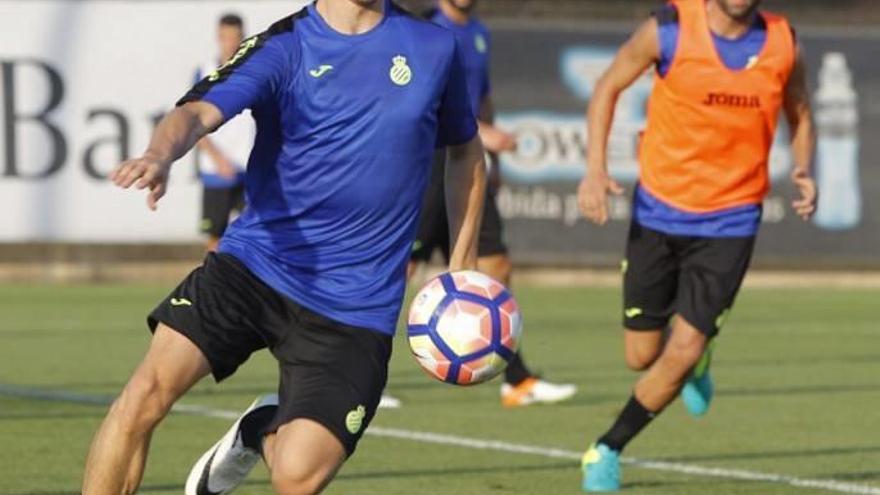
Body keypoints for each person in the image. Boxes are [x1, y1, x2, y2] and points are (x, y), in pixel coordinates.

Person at [81, 1, 487, 494]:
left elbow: (465, 150)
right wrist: (159, 154)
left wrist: (462, 267)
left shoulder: (435, 47)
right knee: (142, 399)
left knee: (297, 479)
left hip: (355, 305)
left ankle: (257, 429)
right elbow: (195, 113)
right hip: (255, 267)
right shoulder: (285, 45)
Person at [577, 0, 817, 491]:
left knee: (682, 349)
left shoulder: (783, 42)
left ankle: (607, 447)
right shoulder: (667, 29)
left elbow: (802, 111)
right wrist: (595, 170)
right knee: (642, 356)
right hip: (658, 212)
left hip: (731, 222)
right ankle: (695, 359)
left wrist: (803, 168)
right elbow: (608, 87)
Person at [406, 0, 577, 408]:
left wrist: (491, 153)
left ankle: (515, 379)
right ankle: (365, 377)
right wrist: (483, 132)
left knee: (496, 264)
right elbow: (420, 98)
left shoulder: (478, 32)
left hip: (471, 164)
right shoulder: (426, 29)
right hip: (430, 163)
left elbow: (481, 99)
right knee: (401, 271)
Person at [195, 14, 256, 252]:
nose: (231, 43)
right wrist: (218, 159)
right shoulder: (205, 73)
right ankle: (215, 288)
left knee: (258, 235)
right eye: (226, 37)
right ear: (218, 38)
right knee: (215, 239)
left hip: (250, 168)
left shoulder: (254, 70)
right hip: (217, 170)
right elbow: (193, 121)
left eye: (236, 37)